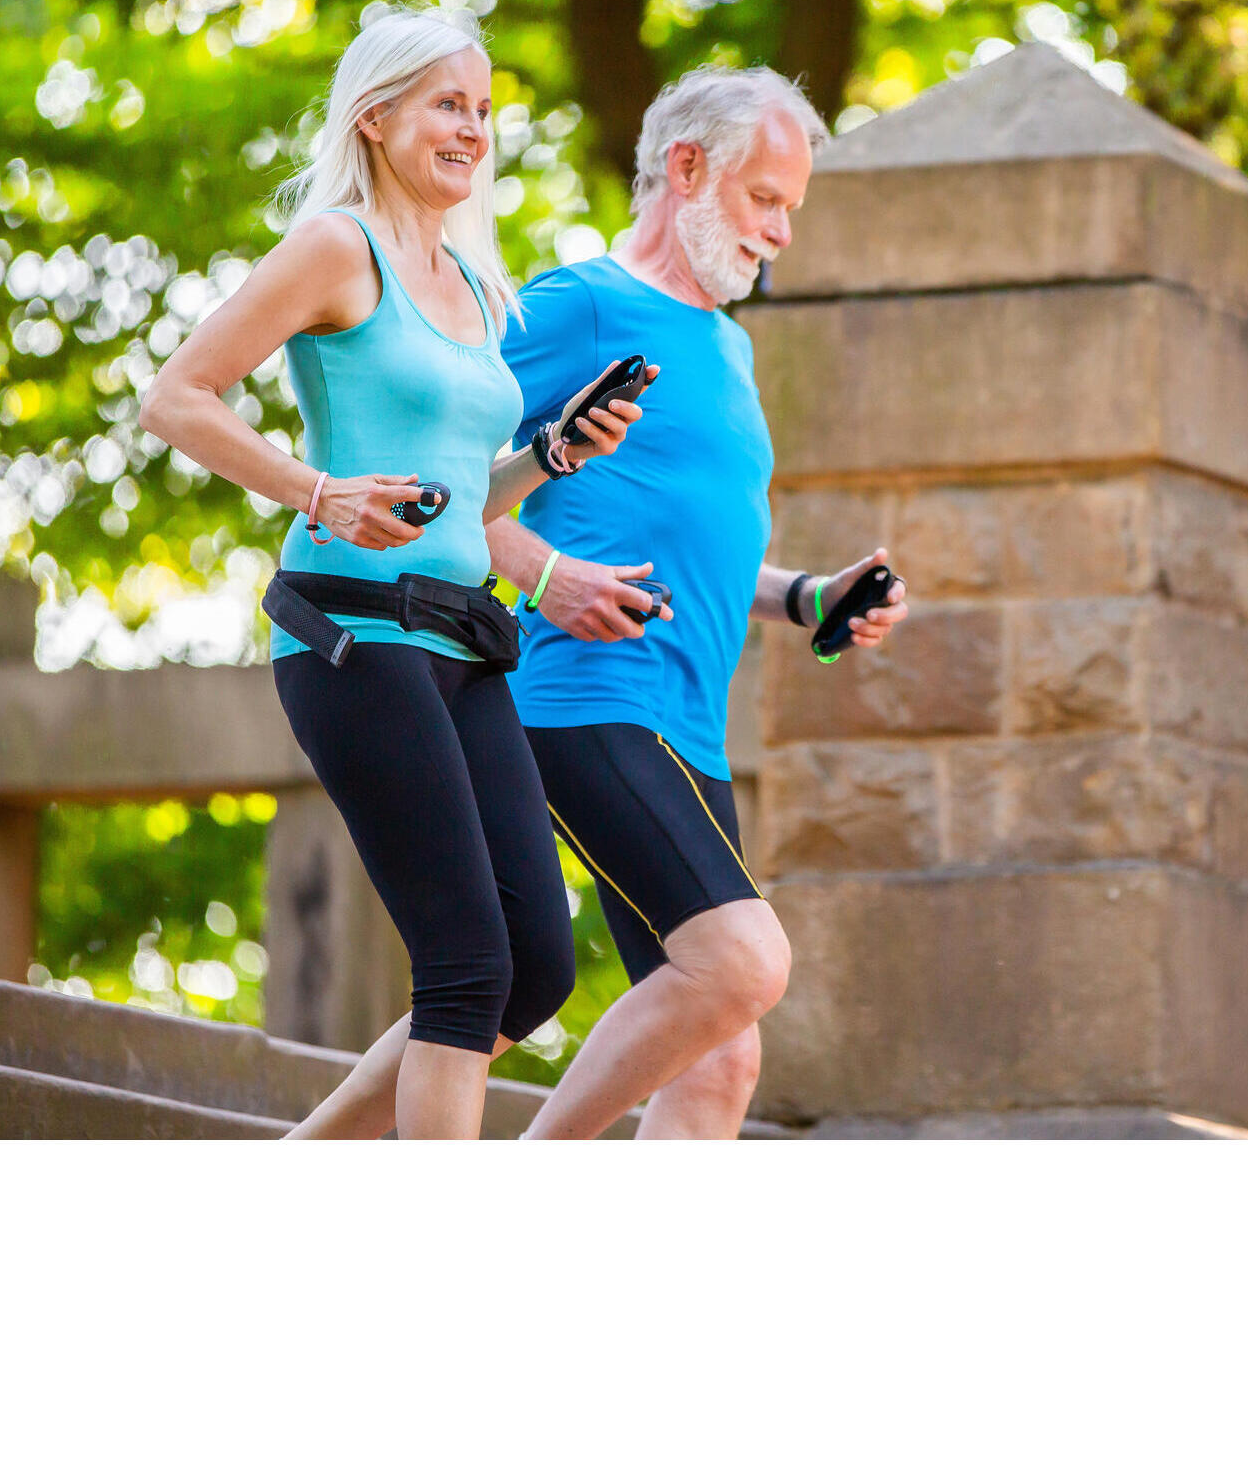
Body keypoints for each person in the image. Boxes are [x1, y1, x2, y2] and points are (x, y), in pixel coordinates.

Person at [296, 64, 908, 1141]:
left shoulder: (727, 343)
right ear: (685, 168)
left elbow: (688, 552)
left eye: (789, 209)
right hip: (581, 698)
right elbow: (442, 479)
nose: (780, 231)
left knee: (718, 1053)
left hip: (685, 725)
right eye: (765, 199)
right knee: (738, 963)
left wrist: (808, 597)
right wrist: (539, 573)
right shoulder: (578, 303)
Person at [140, 5, 659, 1140]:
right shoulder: (338, 247)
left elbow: (457, 496)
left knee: (530, 973)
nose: (471, 128)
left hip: (467, 640)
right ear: (375, 118)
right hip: (352, 635)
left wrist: (552, 451)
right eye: (445, 105)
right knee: (465, 962)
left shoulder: (477, 283)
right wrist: (316, 491)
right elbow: (174, 395)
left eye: (481, 107)